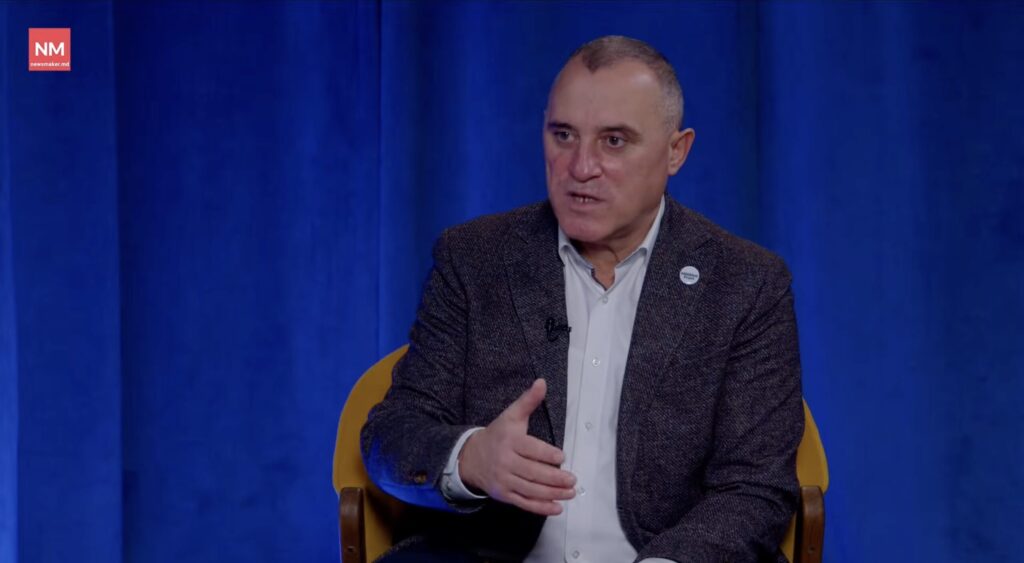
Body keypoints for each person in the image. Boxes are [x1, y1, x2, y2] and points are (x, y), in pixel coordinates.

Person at [361, 35, 803, 563]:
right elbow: (391, 435)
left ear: (676, 152)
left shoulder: (747, 283)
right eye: (564, 135)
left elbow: (754, 489)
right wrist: (470, 458)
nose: (580, 167)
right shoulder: (474, 259)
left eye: (614, 140)